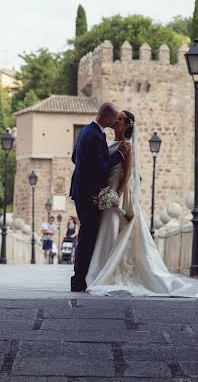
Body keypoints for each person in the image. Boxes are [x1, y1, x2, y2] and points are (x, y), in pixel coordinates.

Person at [86, 110, 198, 297]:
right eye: (116, 118)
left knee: (113, 228)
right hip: (108, 190)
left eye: (120, 119)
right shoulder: (112, 143)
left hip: (118, 192)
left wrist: (116, 194)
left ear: (126, 125)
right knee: (108, 231)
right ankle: (102, 269)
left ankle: (105, 272)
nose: (116, 120)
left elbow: (127, 174)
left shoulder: (126, 145)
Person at [69, 102, 130, 292]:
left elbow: (74, 158)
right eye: (113, 120)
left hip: (81, 191)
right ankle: (79, 280)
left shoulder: (86, 131)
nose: (114, 123)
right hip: (89, 194)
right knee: (87, 238)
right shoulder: (96, 136)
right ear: (105, 118)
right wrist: (119, 154)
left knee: (86, 236)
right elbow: (102, 167)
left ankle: (82, 277)